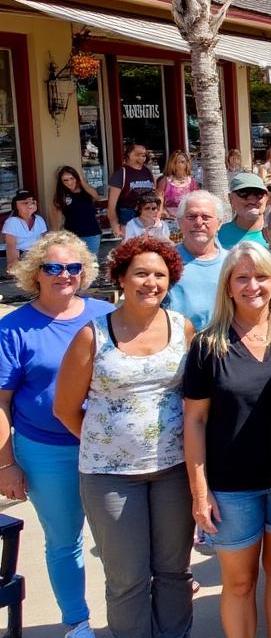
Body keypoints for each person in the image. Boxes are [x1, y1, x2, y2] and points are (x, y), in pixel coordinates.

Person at [53, 235, 195, 638]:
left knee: (173, 571)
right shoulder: (92, 336)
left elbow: (194, 398)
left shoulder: (182, 328)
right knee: (127, 577)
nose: (151, 282)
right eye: (141, 273)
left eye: (160, 275)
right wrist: (109, 449)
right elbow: (65, 408)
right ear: (121, 277)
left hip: (173, 471)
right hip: (109, 478)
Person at [182, 242, 271, 638]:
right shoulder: (208, 345)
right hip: (232, 487)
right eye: (242, 278)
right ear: (228, 287)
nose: (253, 285)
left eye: (261, 276)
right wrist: (200, 493)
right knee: (238, 582)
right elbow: (195, 421)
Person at [0, 232, 112, 638]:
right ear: (35, 273)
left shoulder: (105, 314)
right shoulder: (14, 328)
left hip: (107, 448)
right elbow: (1, 401)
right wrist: (6, 463)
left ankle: (129, 613)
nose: (64, 275)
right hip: (46, 451)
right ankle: (77, 621)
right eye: (52, 267)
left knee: (120, 540)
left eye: (73, 267)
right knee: (65, 540)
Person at [167, 190, 227, 330]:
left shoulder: (232, 262)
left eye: (206, 217)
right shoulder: (165, 262)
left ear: (219, 223)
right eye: (192, 217)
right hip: (180, 345)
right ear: (180, 222)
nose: (199, 223)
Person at [52, 166, 104, 256]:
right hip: (72, 236)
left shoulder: (86, 191)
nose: (69, 182)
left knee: (91, 264)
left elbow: (97, 197)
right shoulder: (61, 196)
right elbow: (57, 219)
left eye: (71, 178)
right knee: (75, 264)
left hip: (91, 234)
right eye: (65, 180)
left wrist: (82, 180)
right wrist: (56, 236)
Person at [107, 142, 156, 237]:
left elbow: (155, 194)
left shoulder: (147, 171)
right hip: (129, 214)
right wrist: (114, 225)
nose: (141, 158)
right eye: (137, 154)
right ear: (128, 154)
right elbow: (111, 205)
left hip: (147, 213)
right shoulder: (121, 173)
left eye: (143, 155)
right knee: (132, 248)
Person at [217, 172, 269, 249]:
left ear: (266, 197)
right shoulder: (217, 235)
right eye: (244, 193)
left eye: (258, 193)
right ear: (231, 198)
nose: (251, 199)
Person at [4, 189, 48, 273]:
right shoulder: (11, 222)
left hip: (38, 257)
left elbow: (45, 242)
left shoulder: (39, 219)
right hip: (22, 259)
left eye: (32, 201)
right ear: (16, 206)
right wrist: (14, 267)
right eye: (25, 202)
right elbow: (11, 246)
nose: (30, 204)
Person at [156, 150, 200, 222]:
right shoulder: (165, 181)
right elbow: (159, 198)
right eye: (176, 162)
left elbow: (197, 200)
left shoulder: (192, 182)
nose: (179, 164)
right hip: (169, 218)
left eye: (182, 162)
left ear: (187, 164)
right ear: (171, 164)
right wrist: (161, 212)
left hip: (188, 217)